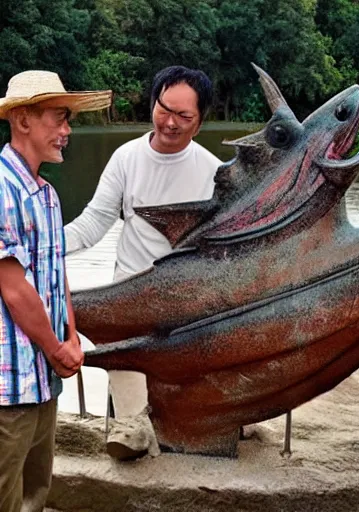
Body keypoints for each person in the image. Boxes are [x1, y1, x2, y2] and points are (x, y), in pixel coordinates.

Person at [64, 65, 222, 459]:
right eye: (164, 109)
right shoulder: (126, 158)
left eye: (183, 116)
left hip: (186, 294)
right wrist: (43, 244)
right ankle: (132, 425)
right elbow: (93, 223)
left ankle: (217, 419)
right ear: (152, 103)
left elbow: (220, 249)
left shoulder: (213, 172)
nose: (170, 122)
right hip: (132, 289)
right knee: (117, 330)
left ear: (200, 122)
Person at [0, 70, 111, 511]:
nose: (67, 131)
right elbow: (13, 288)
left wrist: (71, 338)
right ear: (23, 119)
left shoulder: (46, 194)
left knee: (36, 494)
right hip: (8, 386)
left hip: (43, 380)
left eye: (68, 120)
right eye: (58, 118)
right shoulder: (2, 189)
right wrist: (55, 348)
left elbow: (55, 270)